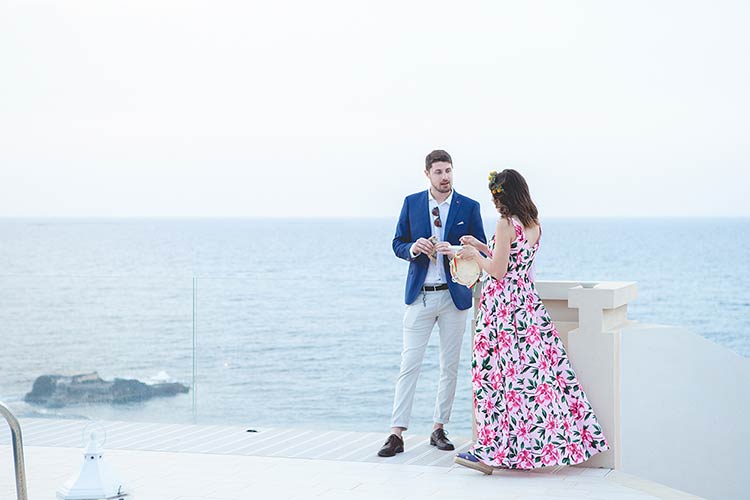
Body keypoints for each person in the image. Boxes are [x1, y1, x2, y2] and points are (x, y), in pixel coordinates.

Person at [453, 169, 609, 473]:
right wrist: (483, 245)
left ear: (502, 196)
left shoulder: (503, 223)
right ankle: (524, 450)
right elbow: (512, 259)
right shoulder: (533, 225)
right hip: (526, 306)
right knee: (532, 380)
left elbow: (497, 271)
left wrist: (473, 252)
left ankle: (490, 451)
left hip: (501, 310)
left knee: (494, 380)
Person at [378, 150, 487, 457]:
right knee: (409, 364)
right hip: (420, 295)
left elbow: (480, 248)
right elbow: (397, 243)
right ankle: (396, 433)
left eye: (449, 170)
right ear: (427, 174)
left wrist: (454, 250)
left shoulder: (470, 206)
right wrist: (414, 246)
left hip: (454, 298)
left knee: (449, 367)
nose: (445, 176)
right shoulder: (411, 203)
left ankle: (439, 428)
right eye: (438, 171)